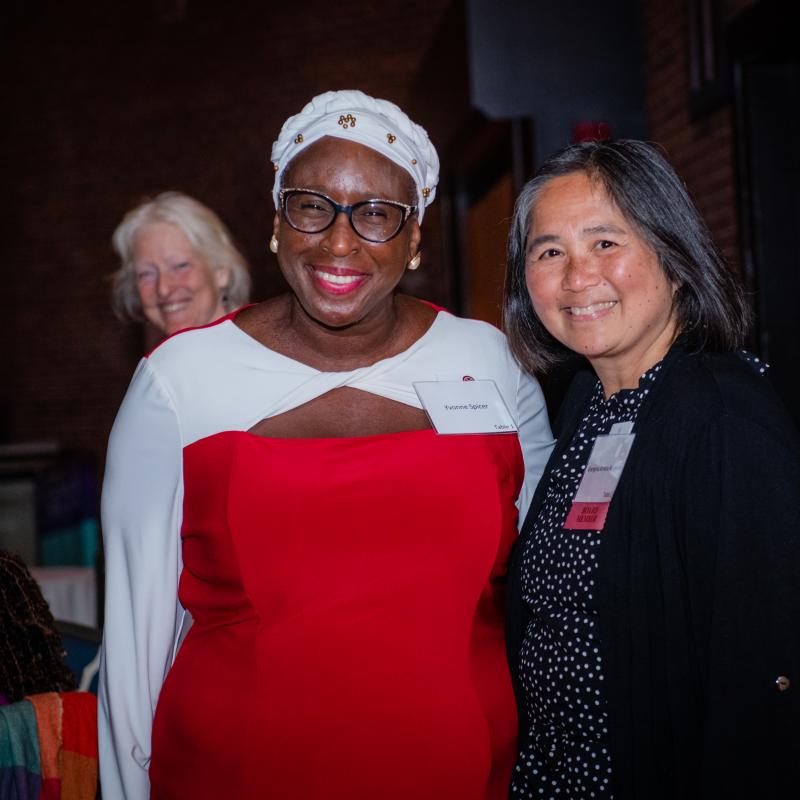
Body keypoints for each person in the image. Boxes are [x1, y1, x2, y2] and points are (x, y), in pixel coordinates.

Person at [99, 90, 555, 800]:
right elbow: (135, 640)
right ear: (278, 221)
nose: (339, 243)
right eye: (313, 205)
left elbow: (546, 579)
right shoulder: (179, 380)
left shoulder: (490, 359)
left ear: (414, 238)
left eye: (376, 213)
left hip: (466, 775)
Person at [503, 139, 800, 798]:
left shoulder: (722, 422)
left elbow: (759, 685)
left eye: (606, 243)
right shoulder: (589, 402)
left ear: (673, 256)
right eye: (550, 251)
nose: (578, 277)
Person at [111, 191, 251, 337]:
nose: (163, 289)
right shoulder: (157, 359)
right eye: (146, 274)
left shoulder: (261, 353)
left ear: (221, 271)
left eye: (180, 266)